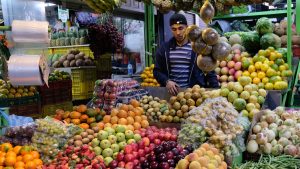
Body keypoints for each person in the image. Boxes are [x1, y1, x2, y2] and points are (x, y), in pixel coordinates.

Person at [153, 13, 219, 95]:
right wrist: (167, 81)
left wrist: (216, 89)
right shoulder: (165, 48)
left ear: (187, 28)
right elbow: (157, 71)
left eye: (181, 28)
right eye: (174, 29)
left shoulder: (198, 47)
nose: (178, 33)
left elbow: (209, 69)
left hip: (194, 94)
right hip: (173, 95)